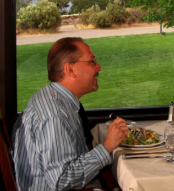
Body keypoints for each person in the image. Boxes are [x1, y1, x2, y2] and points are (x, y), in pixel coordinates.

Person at [12, 37, 129, 190]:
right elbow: (62, 180)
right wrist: (106, 146)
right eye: (92, 62)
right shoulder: (54, 115)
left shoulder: (55, 98)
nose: (98, 67)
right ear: (70, 70)